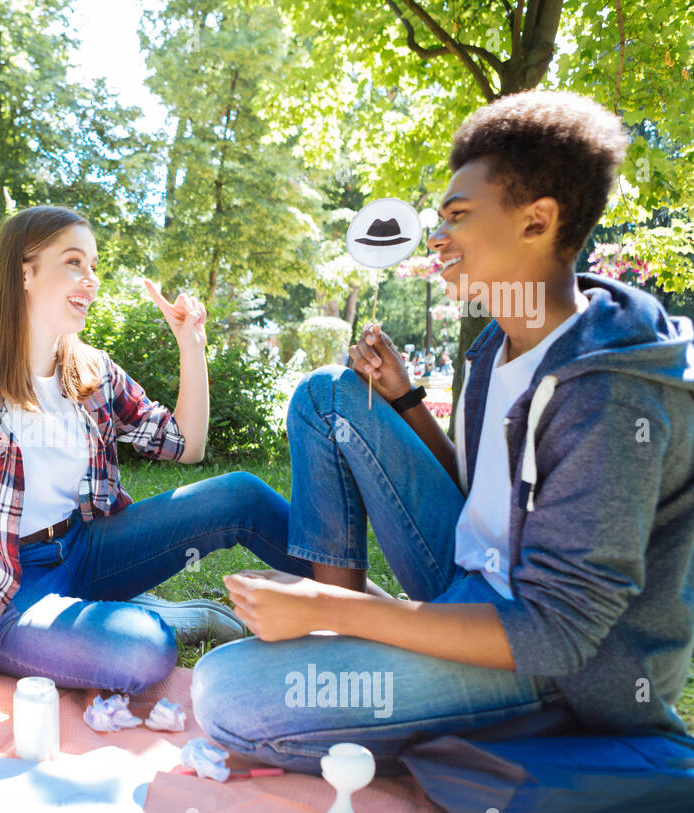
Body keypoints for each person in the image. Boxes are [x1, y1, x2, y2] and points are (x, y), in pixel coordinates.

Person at [192, 90, 694, 773]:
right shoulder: (499, 341)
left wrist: (336, 615)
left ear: (537, 220)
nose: (436, 238)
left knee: (227, 697)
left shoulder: (610, 395)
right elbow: (488, 490)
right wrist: (406, 404)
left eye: (458, 216)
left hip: (550, 669)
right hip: (466, 575)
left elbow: (559, 634)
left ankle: (468, 707)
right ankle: (347, 616)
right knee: (327, 396)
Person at [0, 205, 313, 693]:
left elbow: (186, 445)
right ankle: (158, 617)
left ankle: (362, 603)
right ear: (24, 272)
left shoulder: (92, 371)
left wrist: (190, 345)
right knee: (141, 648)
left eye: (93, 266)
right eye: (74, 262)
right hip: (8, 594)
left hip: (88, 550)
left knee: (242, 494)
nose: (91, 279)